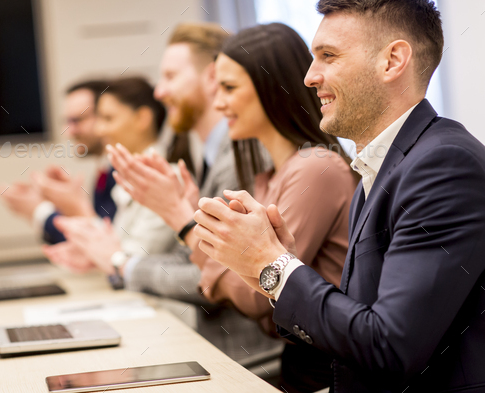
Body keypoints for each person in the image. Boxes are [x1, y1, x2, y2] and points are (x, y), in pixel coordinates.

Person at [193, 1, 485, 392]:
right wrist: (273, 269)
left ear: (392, 61)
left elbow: (390, 346)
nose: (310, 78)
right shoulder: (383, 164)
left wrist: (274, 266)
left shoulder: (444, 165)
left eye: (328, 56)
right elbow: (360, 325)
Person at [67, 23, 283, 365]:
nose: (159, 91)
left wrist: (123, 261)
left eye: (170, 76)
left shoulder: (243, 154)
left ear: (211, 77)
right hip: (214, 349)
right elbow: (195, 261)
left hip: (245, 361)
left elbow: (219, 277)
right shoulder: (206, 155)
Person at [187, 23, 357, 392]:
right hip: (300, 362)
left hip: (323, 370)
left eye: (230, 88)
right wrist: (225, 270)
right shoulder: (267, 177)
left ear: (273, 87)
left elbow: (256, 296)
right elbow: (240, 274)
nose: (218, 104)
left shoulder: (316, 167)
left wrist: (215, 276)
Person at [42, 77, 177, 275]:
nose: (99, 129)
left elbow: (134, 261)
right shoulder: (129, 176)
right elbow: (120, 251)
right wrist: (88, 254)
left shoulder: (167, 178)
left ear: (142, 119)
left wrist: (80, 209)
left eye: (108, 119)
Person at [0, 80, 117, 244]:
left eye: (78, 120)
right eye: (67, 121)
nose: (69, 131)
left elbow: (108, 245)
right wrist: (63, 203)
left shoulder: (119, 173)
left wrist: (39, 210)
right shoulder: (105, 170)